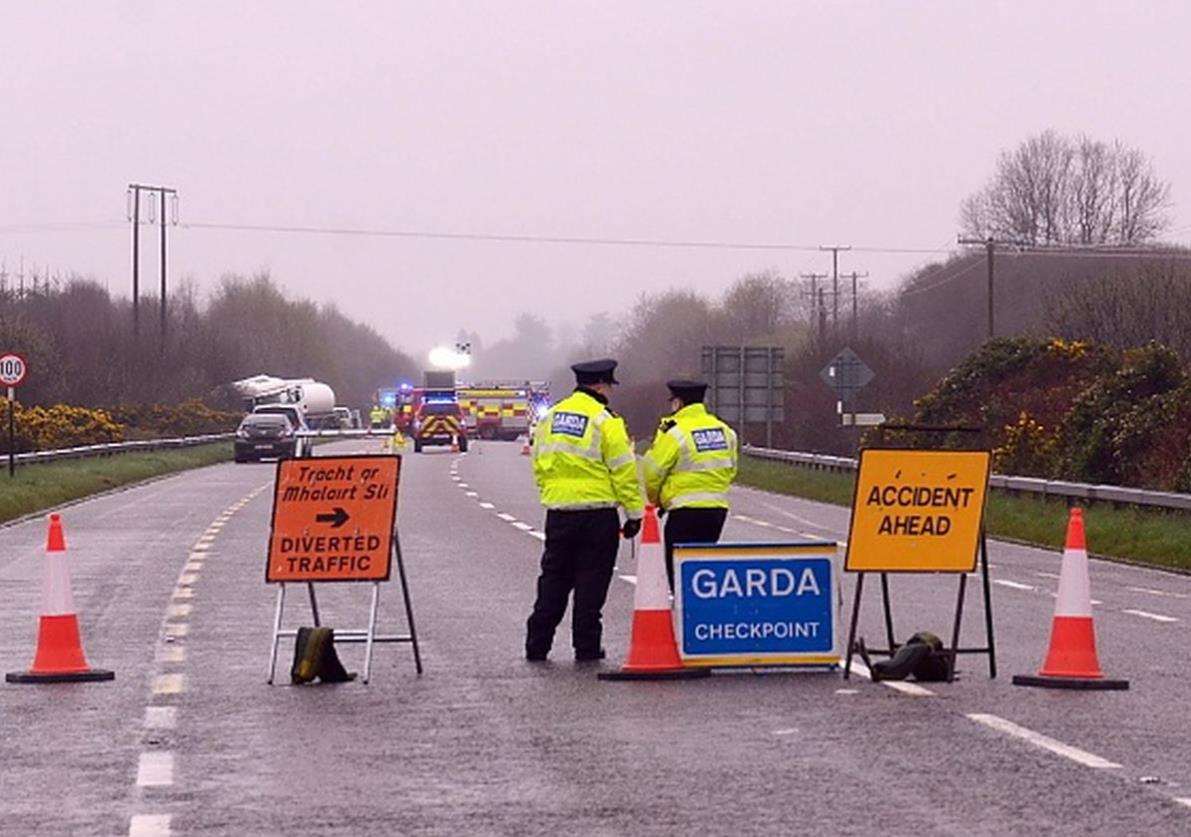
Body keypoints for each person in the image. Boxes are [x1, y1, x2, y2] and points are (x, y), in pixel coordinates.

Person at [525, 358, 645, 662]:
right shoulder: (606, 420)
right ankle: (587, 647)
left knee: (553, 579)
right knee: (592, 581)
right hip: (597, 514)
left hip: (560, 512)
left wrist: (552, 495)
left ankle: (537, 644)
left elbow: (539, 462)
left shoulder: (550, 417)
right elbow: (623, 470)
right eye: (610, 387)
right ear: (601, 385)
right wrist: (633, 514)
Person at [641, 379, 738, 588]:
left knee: (679, 571)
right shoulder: (725, 431)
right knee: (704, 568)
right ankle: (703, 614)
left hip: (683, 512)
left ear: (678, 403)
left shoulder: (675, 433)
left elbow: (653, 472)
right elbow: (731, 469)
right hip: (716, 512)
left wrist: (657, 499)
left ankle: (685, 613)